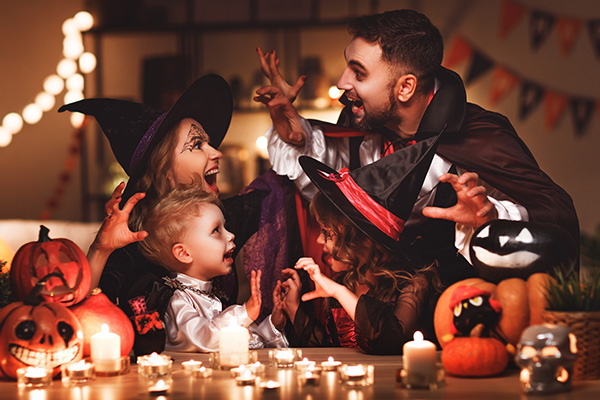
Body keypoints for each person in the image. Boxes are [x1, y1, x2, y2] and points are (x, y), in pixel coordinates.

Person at [254, 9, 579, 287]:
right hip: (368, 309)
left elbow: (551, 217)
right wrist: (298, 139)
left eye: (359, 72)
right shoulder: (357, 125)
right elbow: (333, 198)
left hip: (448, 314)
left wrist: (491, 217)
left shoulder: (480, 137)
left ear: (406, 86)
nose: (342, 82)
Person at [58, 74, 271, 355]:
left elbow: (282, 193)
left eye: (208, 142)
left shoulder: (225, 216)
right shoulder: (131, 242)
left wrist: (286, 120)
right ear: (165, 174)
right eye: (197, 145)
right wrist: (101, 249)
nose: (216, 152)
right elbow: (82, 321)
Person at [279, 128, 447, 354]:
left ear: (358, 239)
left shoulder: (415, 283)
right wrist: (293, 308)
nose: (319, 240)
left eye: (327, 232)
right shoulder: (348, 280)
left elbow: (392, 340)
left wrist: (339, 292)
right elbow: (334, 352)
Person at [138, 186, 287, 352]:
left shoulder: (212, 295)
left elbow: (243, 341)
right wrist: (245, 313)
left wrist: (273, 324)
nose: (230, 235)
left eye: (225, 227)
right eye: (216, 230)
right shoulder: (177, 301)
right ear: (184, 253)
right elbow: (204, 338)